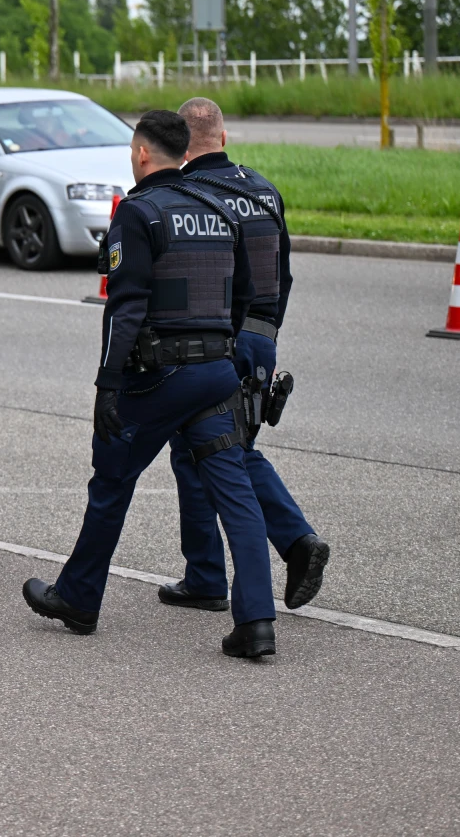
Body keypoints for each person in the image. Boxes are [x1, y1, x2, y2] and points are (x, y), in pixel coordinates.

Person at [20, 110, 280, 658]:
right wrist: (224, 356)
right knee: (235, 495)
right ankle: (256, 621)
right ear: (185, 152)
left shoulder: (140, 212)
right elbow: (248, 296)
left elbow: (125, 306)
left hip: (159, 376)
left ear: (141, 153)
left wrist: (107, 385)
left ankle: (79, 598)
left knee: (111, 480)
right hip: (216, 375)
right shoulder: (218, 209)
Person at [160, 97, 332, 614]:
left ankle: (224, 571)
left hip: (212, 339)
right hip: (261, 338)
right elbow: (284, 274)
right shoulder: (264, 191)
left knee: (204, 450)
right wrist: (267, 336)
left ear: (181, 146)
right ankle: (231, 566)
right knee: (229, 448)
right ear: (225, 137)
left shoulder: (186, 193)